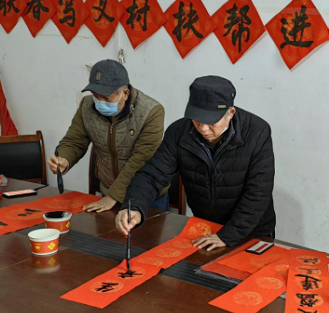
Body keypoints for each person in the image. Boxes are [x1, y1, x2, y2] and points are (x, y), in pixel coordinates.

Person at [115, 75, 275, 251]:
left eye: (211, 121)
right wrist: (134, 206)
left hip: (251, 230)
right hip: (207, 228)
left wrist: (228, 235)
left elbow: (258, 193)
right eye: (197, 119)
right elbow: (153, 175)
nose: (203, 128)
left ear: (230, 113)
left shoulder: (257, 133)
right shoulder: (179, 132)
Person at [48, 59, 168, 212]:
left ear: (125, 94)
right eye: (96, 95)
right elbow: (75, 140)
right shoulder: (86, 106)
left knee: (148, 229)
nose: (99, 102)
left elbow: (141, 160)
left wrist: (113, 196)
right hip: (107, 191)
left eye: (106, 97)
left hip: (145, 195)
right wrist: (64, 158)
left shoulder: (151, 112)